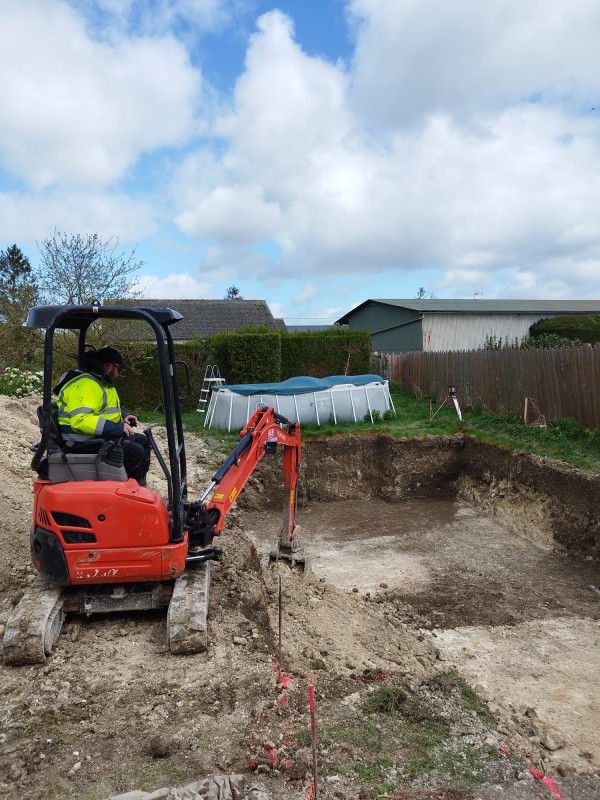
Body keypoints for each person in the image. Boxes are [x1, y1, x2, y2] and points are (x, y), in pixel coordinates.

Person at [56, 346, 151, 485]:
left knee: (143, 441)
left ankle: (139, 486)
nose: (118, 374)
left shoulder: (100, 383)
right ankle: (127, 492)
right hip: (80, 441)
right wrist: (117, 428)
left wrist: (122, 417)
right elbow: (81, 420)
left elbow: (101, 410)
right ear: (108, 367)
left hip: (91, 437)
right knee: (135, 452)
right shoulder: (85, 386)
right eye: (119, 369)